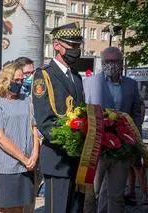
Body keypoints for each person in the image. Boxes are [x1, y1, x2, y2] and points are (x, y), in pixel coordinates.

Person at [32, 22, 85, 213]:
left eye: (78, 46)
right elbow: (45, 121)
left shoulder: (76, 77)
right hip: (58, 159)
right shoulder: (44, 75)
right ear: (57, 45)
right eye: (72, 45)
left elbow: (81, 115)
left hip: (78, 160)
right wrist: (72, 142)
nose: (76, 50)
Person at [83, 46, 143, 213]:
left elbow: (137, 111)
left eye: (114, 61)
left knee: (116, 195)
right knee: (90, 195)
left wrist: (134, 139)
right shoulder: (89, 83)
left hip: (122, 149)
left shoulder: (131, 85)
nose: (111, 65)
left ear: (121, 63)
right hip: (96, 148)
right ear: (102, 63)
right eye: (107, 61)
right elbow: (81, 113)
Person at [0, 62, 39, 213]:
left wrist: (35, 153)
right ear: (5, 80)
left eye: (22, 80)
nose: (20, 83)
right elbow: (0, 137)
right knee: (4, 207)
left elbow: (34, 127)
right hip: (7, 165)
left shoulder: (27, 100)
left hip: (28, 164)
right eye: (16, 80)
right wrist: (23, 158)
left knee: (19, 207)